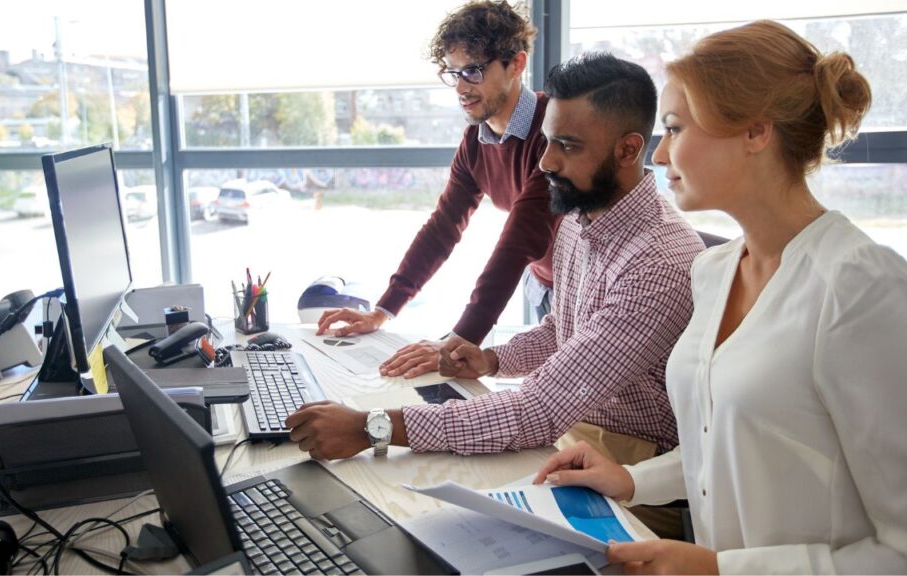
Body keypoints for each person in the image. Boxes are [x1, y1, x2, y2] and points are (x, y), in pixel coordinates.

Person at [533, 20, 907, 575]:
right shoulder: (714, 270)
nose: (659, 157)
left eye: (676, 129)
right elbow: (724, 443)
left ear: (756, 132)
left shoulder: (860, 288)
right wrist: (634, 479)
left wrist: (721, 570)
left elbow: (899, 549)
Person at [288, 53, 704, 470]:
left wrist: (369, 428)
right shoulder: (580, 218)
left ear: (628, 149)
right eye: (547, 141)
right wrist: (492, 359)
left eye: (568, 146)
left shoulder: (658, 264)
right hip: (574, 425)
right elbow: (562, 330)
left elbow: (538, 411)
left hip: (632, 456)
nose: (546, 163)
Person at [315, 0, 561, 379]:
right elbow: (442, 228)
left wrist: (459, 341)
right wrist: (384, 309)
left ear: (517, 64)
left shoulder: (553, 131)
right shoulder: (476, 143)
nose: (462, 87)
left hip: (589, 282)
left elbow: (520, 240)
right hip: (544, 282)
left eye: (474, 71)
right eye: (454, 73)